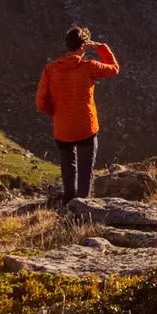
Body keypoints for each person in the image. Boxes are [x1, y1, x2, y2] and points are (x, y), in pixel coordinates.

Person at [35, 26, 120, 204]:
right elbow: (114, 68)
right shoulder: (88, 66)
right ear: (83, 46)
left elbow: (41, 102)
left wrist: (57, 114)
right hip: (85, 128)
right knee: (85, 170)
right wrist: (101, 48)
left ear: (67, 45)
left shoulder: (50, 69)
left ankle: (67, 200)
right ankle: (82, 205)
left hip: (62, 128)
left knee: (68, 167)